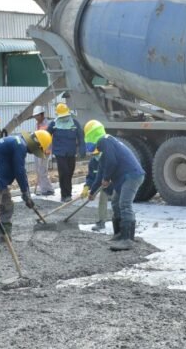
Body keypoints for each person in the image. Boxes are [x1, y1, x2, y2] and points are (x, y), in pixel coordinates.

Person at [84, 120, 145, 251]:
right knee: (116, 202)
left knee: (124, 204)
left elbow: (112, 162)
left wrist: (106, 178)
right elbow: (100, 173)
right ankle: (119, 234)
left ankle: (127, 239)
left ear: (91, 136)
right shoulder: (105, 146)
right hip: (125, 178)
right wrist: (92, 192)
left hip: (131, 176)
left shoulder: (104, 141)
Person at [0, 130, 53, 252]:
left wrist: (26, 193)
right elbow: (20, 171)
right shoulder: (20, 146)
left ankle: (5, 238)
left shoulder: (18, 142)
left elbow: (18, 170)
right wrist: (25, 193)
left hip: (0, 180)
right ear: (37, 144)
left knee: (7, 207)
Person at [47, 103, 85, 202]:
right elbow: (46, 136)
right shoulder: (54, 124)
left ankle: (68, 193)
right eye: (62, 116)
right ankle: (65, 195)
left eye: (65, 115)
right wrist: (42, 146)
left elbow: (81, 137)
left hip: (71, 152)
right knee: (64, 172)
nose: (64, 118)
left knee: (70, 173)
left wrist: (82, 149)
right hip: (60, 153)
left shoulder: (74, 123)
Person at [81, 120, 108, 231]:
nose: (96, 156)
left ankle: (121, 222)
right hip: (101, 182)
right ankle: (101, 222)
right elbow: (92, 177)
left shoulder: (107, 156)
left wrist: (93, 191)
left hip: (111, 180)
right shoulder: (93, 162)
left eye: (97, 154)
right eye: (94, 154)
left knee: (116, 201)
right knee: (102, 199)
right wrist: (87, 187)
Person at [32, 106, 55, 196]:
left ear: (42, 115)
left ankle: (48, 189)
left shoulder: (48, 124)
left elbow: (50, 137)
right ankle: (43, 189)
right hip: (37, 149)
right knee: (38, 170)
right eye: (35, 116)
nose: (36, 118)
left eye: (37, 116)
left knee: (42, 170)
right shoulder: (37, 124)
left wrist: (48, 149)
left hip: (45, 150)